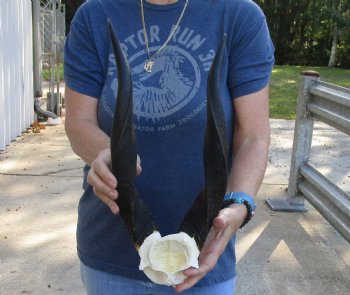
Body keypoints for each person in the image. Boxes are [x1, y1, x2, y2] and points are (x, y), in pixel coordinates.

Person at [64, 0, 274, 294]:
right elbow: (78, 122)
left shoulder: (240, 15)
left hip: (203, 254)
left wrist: (239, 205)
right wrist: (106, 154)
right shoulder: (95, 14)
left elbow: (253, 136)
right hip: (110, 254)